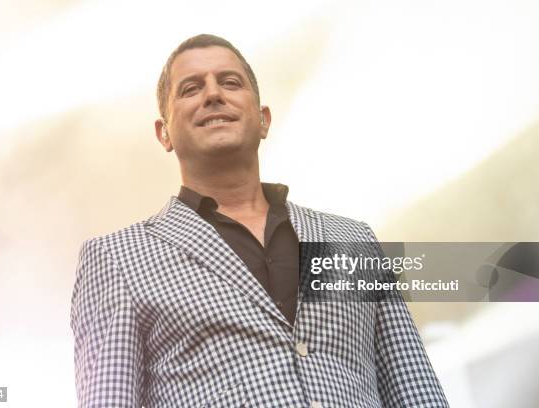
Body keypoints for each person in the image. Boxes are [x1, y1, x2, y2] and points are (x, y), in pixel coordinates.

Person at [70, 34, 449, 408]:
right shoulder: (117, 258)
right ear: (164, 133)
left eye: (230, 82)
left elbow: (415, 388)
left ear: (264, 120)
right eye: (190, 88)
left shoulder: (350, 238)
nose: (213, 94)